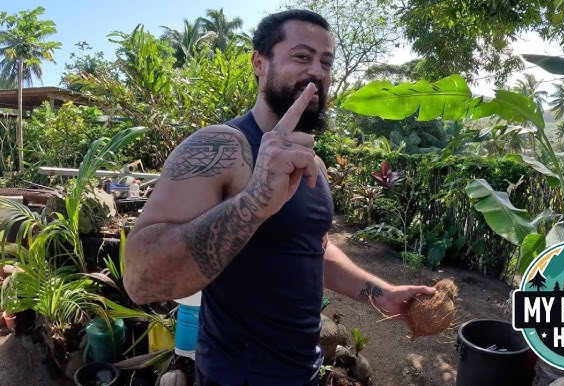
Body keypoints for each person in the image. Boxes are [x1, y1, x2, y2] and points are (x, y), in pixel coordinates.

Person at [123, 9, 435, 386]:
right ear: (259, 63)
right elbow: (139, 280)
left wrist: (380, 293)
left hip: (304, 371)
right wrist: (254, 203)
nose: (317, 72)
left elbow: (310, 246)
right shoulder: (220, 146)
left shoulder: (312, 162)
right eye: (302, 57)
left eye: (326, 62)